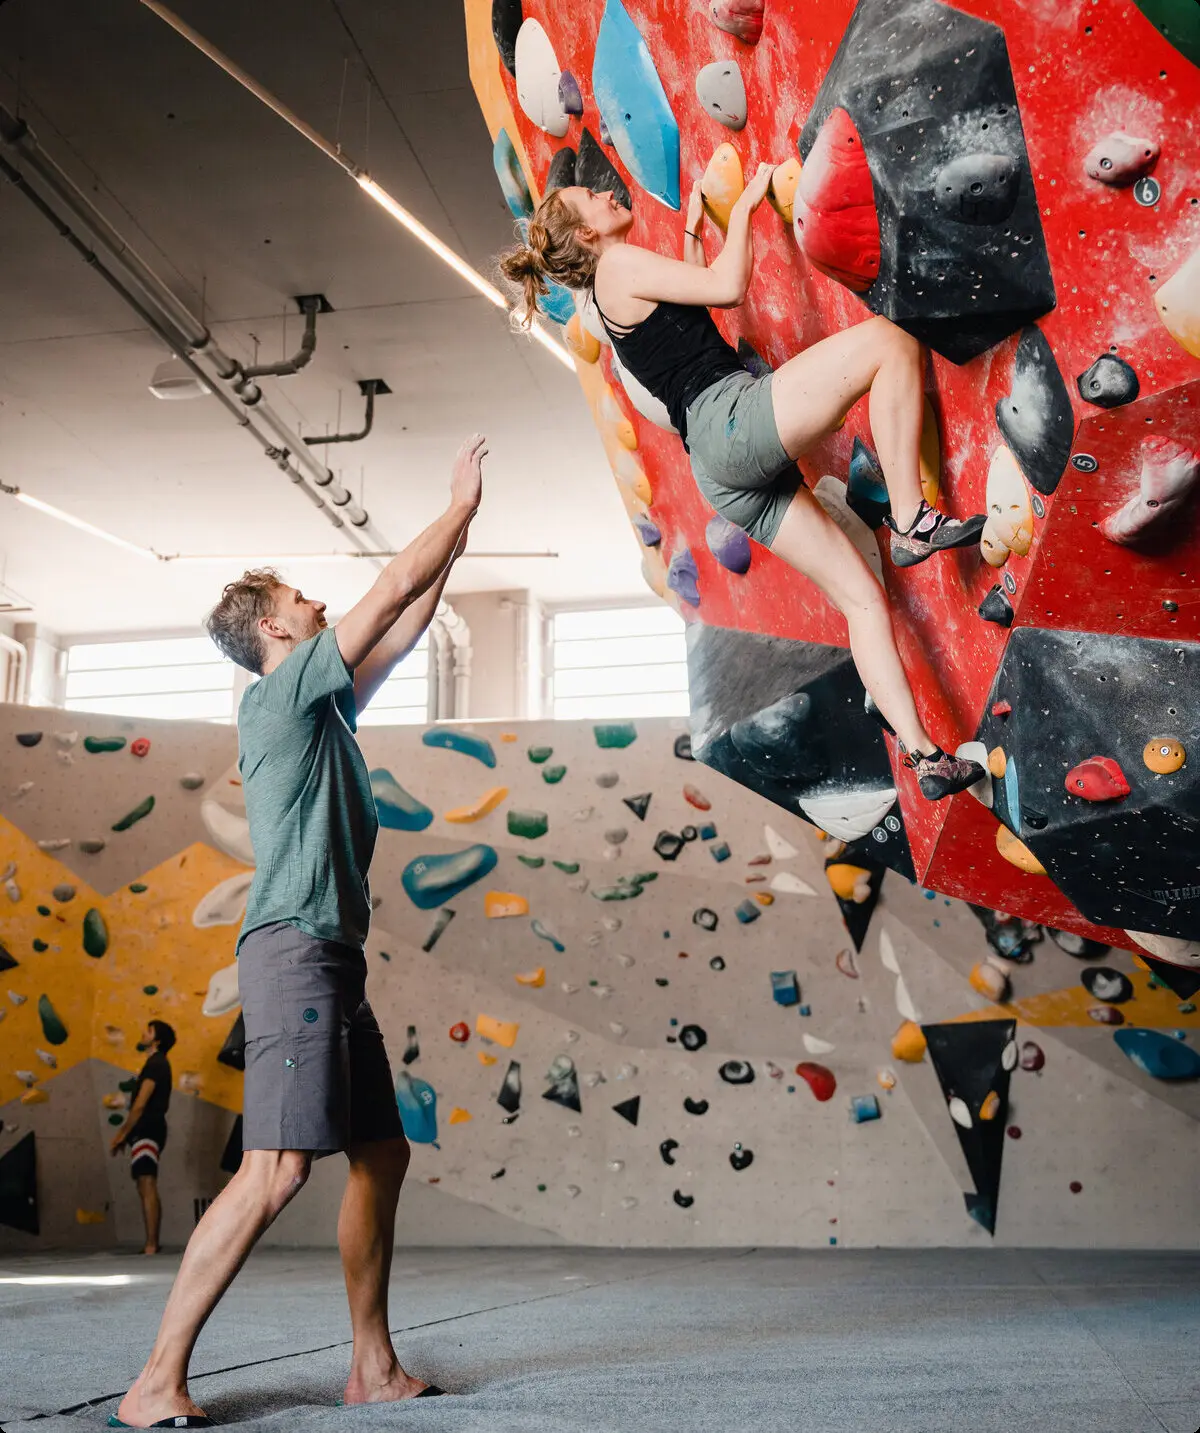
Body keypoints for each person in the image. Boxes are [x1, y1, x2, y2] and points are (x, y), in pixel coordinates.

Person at [112, 434, 487, 1429]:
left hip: (332, 958)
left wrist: (462, 538)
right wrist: (453, 505)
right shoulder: (280, 697)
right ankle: (154, 1381)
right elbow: (391, 584)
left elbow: (406, 622)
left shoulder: (323, 714)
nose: (318, 601)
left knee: (381, 1151)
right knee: (275, 1168)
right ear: (276, 630)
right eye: (303, 599)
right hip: (292, 950)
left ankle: (371, 1365)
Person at [500, 169, 986, 800]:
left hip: (719, 470)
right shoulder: (616, 264)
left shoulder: (602, 294)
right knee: (889, 341)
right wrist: (749, 206)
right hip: (728, 420)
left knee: (862, 600)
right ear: (589, 232)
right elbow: (727, 290)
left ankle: (926, 758)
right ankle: (913, 518)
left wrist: (696, 234)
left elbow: (682, 316)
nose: (606, 193)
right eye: (591, 199)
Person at [110, 1019, 176, 1255]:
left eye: (148, 1031)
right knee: (143, 1182)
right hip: (148, 1129)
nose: (143, 1033)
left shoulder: (156, 1064)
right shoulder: (157, 1064)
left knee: (146, 1182)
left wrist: (121, 1133)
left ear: (156, 1040)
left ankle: (151, 1245)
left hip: (148, 1129)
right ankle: (151, 1243)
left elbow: (139, 1106)